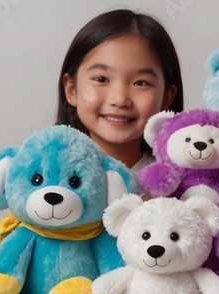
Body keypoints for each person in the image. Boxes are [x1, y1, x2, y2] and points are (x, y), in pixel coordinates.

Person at [55, 9, 183, 172]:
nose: (120, 99)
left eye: (140, 83)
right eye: (101, 79)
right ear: (72, 90)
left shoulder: (177, 184)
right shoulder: (44, 178)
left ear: (166, 98)